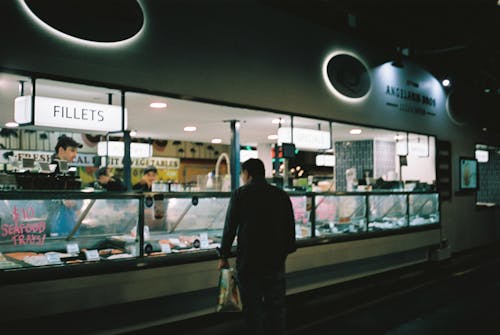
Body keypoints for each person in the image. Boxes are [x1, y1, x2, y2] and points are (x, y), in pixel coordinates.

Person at [218, 158, 297, 335]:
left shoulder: (240, 194)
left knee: (252, 309)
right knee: (276, 308)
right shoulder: (281, 195)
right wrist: (283, 253)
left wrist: (224, 256)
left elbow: (230, 227)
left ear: (247, 174)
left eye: (242, 174)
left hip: (249, 262)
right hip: (275, 262)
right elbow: (290, 230)